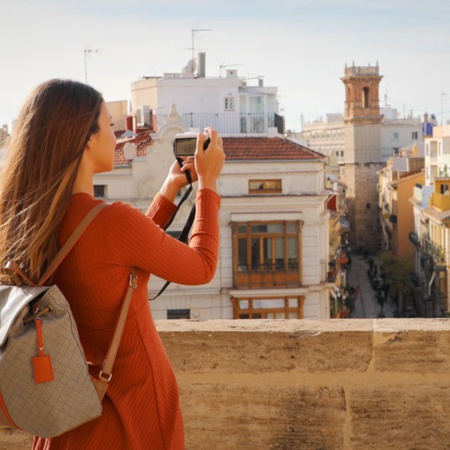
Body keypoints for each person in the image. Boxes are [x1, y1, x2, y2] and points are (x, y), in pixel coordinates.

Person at [0, 79, 225, 449]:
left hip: (69, 413)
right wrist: (209, 185)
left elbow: (112, 258)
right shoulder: (110, 221)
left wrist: (168, 191)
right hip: (132, 410)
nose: (118, 136)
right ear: (86, 139)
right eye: (108, 124)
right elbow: (202, 266)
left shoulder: (30, 223)